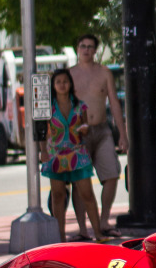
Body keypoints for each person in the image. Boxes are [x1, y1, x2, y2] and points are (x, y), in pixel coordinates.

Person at [69, 33, 127, 238]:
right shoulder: (69, 75)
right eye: (82, 46)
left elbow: (114, 102)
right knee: (80, 180)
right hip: (78, 134)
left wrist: (123, 133)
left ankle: (103, 221)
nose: (86, 50)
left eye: (90, 47)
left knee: (111, 174)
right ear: (77, 48)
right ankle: (83, 229)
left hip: (102, 130)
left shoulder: (104, 73)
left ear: (95, 50)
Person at [40, 68, 105, 243]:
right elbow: (42, 131)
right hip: (55, 155)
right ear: (53, 86)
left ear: (70, 84)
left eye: (65, 81)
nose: (62, 85)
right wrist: (43, 151)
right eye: (58, 82)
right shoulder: (48, 107)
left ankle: (98, 233)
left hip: (77, 154)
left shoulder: (80, 105)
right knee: (58, 195)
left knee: (87, 194)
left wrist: (85, 129)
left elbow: (85, 127)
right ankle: (60, 236)